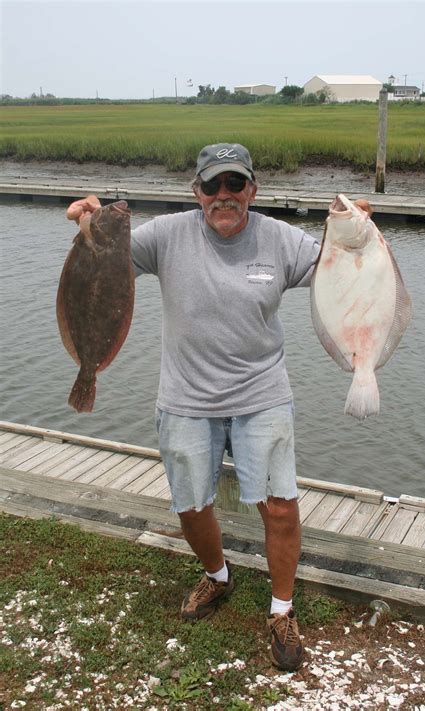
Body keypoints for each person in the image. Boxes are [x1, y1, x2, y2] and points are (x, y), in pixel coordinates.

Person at [66, 143, 321, 672]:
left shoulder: (283, 239)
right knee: (190, 501)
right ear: (196, 191)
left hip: (262, 393)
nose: (223, 196)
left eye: (235, 185)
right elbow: (102, 266)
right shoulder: (166, 235)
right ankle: (218, 575)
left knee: (279, 504)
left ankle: (281, 610)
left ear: (253, 189)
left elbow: (342, 272)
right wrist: (86, 224)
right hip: (185, 396)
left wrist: (358, 232)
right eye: (212, 186)